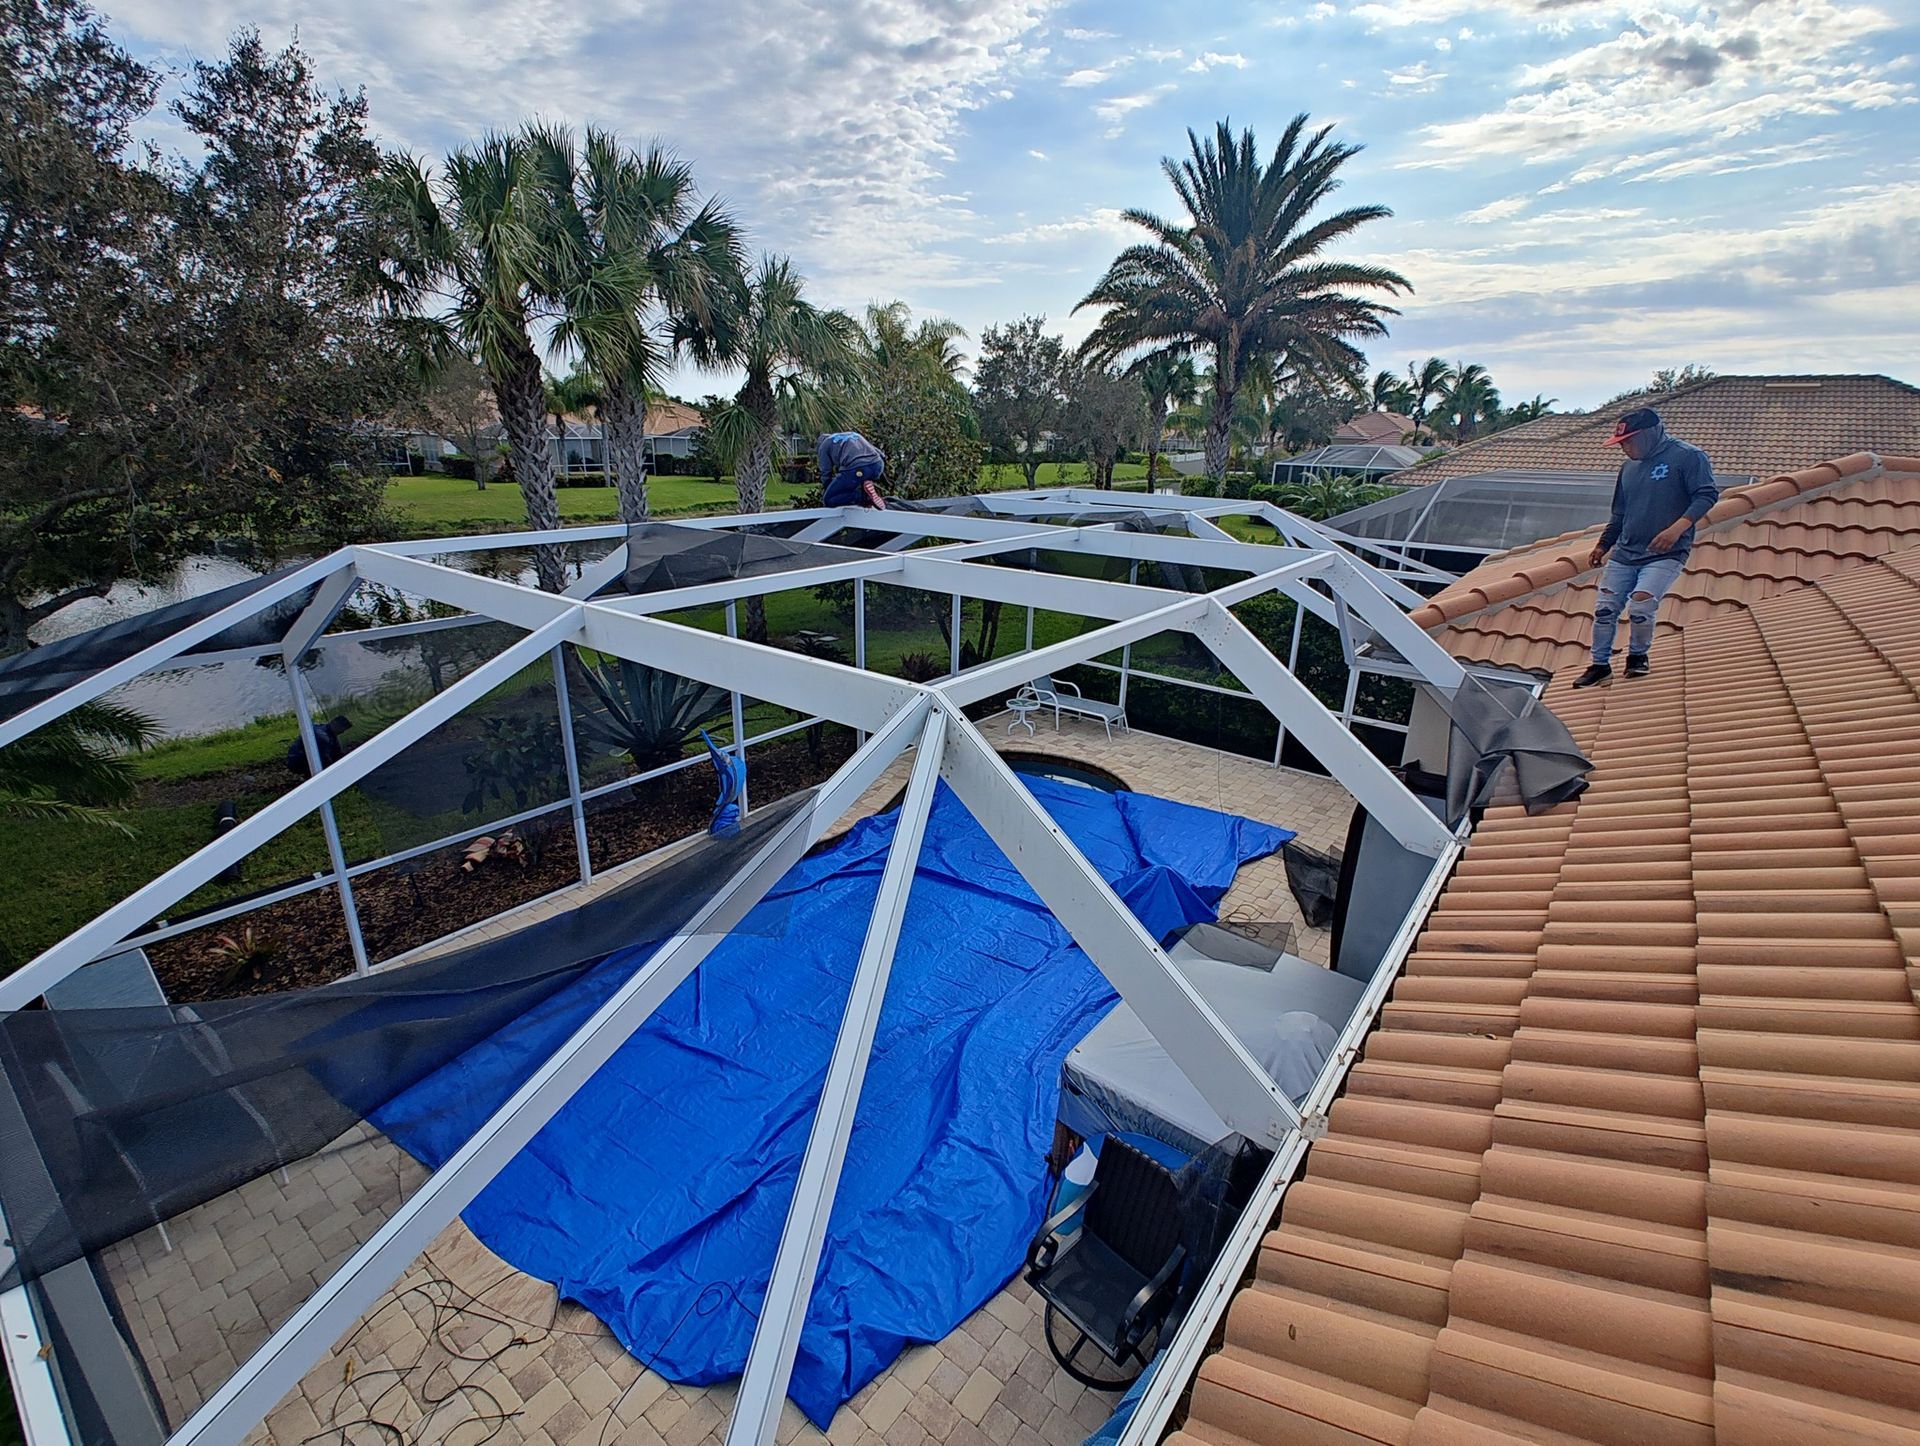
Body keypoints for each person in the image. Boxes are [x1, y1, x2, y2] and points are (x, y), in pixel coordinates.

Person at [1573, 407, 1717, 688]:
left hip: (1666, 552)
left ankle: (1638, 657)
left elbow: (1706, 494)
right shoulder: (1628, 469)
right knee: (1605, 608)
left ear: (1651, 434)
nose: (1624, 449)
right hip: (1626, 551)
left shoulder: (1687, 457)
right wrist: (1603, 545)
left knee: (1641, 602)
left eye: (1629, 441)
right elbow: (1619, 514)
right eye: (1621, 444)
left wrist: (1677, 529)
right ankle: (1599, 665)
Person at [818, 431, 887, 510]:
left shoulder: (823, 446)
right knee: (853, 478)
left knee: (829, 499)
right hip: (877, 465)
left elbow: (826, 472)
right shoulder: (853, 434)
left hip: (857, 469)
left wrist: (828, 488)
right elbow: (881, 454)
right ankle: (867, 490)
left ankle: (865, 497)